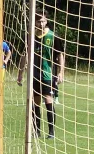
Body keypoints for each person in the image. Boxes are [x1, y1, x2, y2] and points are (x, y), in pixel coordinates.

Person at [17, 9, 65, 139]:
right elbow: (24, 55)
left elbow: (60, 55)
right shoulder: (31, 36)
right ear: (35, 23)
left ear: (47, 21)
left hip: (47, 74)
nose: (41, 23)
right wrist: (20, 73)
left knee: (48, 99)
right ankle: (37, 131)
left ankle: (51, 132)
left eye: (43, 21)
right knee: (35, 101)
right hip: (34, 74)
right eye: (38, 21)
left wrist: (61, 72)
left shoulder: (53, 36)